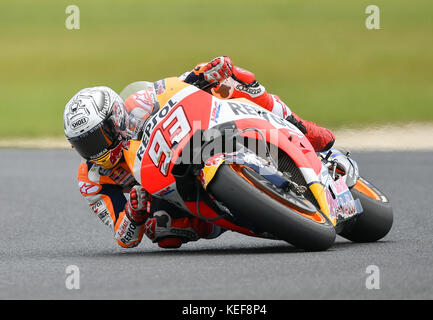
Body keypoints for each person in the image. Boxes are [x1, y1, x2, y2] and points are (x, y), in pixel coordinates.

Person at [63, 56, 336, 249]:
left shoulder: (138, 104)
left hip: (198, 134)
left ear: (115, 119)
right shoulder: (92, 178)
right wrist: (134, 214)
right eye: (85, 145)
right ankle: (229, 214)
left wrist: (205, 73)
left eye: (99, 137)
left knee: (234, 81)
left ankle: (301, 128)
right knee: (160, 230)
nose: (96, 150)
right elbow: (124, 238)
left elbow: (174, 87)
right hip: (168, 186)